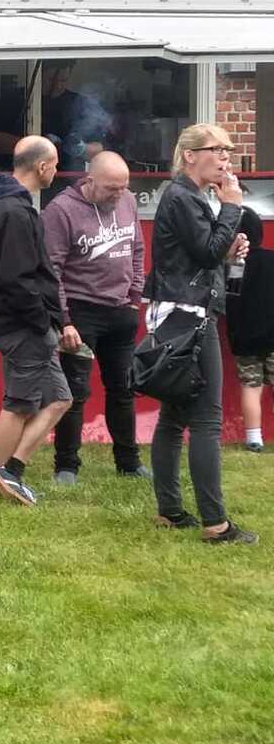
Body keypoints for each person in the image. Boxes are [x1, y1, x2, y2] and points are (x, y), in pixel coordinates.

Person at [147, 123, 253, 543]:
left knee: (174, 414)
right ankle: (216, 523)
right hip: (190, 315)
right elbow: (206, 252)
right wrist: (232, 209)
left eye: (228, 150)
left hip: (176, 311)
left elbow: (202, 255)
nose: (225, 158)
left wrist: (228, 250)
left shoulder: (186, 196)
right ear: (190, 155)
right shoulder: (184, 197)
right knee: (206, 419)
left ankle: (170, 511)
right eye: (216, 149)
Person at [41, 150, 148, 485]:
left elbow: (137, 250)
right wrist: (64, 320)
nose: (119, 194)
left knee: (123, 389)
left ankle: (129, 462)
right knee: (75, 392)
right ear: (89, 181)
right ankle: (66, 466)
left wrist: (134, 298)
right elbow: (51, 270)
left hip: (121, 310)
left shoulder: (128, 201)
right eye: (111, 188)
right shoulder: (61, 211)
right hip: (80, 312)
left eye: (123, 187)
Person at [0, 136, 71, 506]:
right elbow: (18, 278)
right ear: (42, 166)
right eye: (55, 164)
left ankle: (10, 472)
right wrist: (42, 322)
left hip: (26, 323)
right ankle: (2, 479)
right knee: (19, 403)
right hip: (23, 325)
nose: (57, 171)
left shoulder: (9, 206)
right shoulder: (14, 213)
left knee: (60, 399)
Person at [229, 207, 274, 453]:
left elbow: (231, 300)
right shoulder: (272, 260)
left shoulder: (236, 266)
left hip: (246, 338)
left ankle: (254, 438)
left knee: (251, 386)